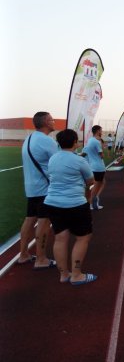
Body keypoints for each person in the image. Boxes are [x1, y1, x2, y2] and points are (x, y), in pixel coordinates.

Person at [42, 129, 96, 285]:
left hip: (52, 202)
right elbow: (91, 181)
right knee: (83, 237)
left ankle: (64, 274)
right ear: (75, 142)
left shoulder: (53, 159)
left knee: (60, 238)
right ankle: (77, 275)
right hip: (75, 203)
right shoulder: (79, 161)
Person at [18, 111, 58, 268]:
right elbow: (58, 162)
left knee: (30, 219)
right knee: (44, 221)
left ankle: (23, 254)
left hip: (31, 187)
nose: (54, 122)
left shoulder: (29, 138)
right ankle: (41, 259)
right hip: (44, 188)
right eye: (52, 120)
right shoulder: (47, 141)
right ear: (46, 122)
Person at [83, 125, 106, 211]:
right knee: (96, 186)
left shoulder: (90, 140)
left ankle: (93, 200)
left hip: (93, 166)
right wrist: (102, 148)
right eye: (101, 130)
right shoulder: (96, 142)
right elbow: (102, 156)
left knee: (101, 183)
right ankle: (91, 203)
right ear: (97, 131)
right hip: (98, 167)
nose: (102, 131)